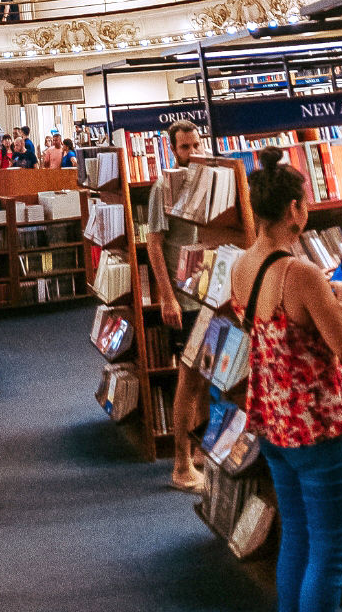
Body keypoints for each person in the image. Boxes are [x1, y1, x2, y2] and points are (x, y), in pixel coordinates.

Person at [229, 150, 342, 612]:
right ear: (294, 210)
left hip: (274, 423)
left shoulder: (241, 266)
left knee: (298, 540)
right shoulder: (303, 274)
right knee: (330, 555)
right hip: (317, 426)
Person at [145, 121, 213, 490]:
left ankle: (200, 451)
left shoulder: (211, 181)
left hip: (209, 295)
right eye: (185, 148)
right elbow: (155, 244)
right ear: (174, 150)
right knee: (188, 380)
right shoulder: (163, 187)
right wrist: (167, 295)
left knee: (204, 377)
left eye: (196, 145)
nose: (192, 153)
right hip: (184, 298)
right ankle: (181, 463)